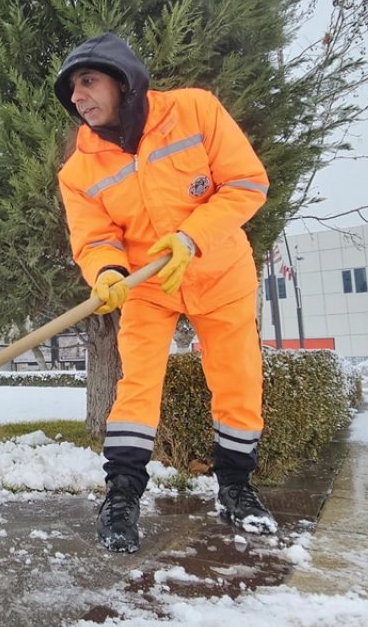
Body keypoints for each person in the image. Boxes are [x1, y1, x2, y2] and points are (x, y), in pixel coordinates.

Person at [55, 33, 276, 553]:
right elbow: (95, 237)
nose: (79, 96)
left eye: (88, 81)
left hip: (218, 271)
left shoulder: (195, 111)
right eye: (71, 90)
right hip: (147, 285)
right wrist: (107, 271)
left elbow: (247, 183)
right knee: (137, 387)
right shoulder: (79, 169)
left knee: (237, 378)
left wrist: (191, 237)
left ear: (122, 79)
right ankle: (123, 495)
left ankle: (237, 488)